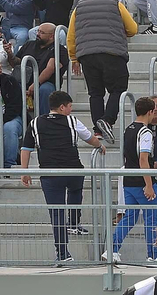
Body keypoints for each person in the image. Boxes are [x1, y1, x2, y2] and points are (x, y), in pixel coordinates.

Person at [18, 91, 105, 263]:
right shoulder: (72, 121)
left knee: (56, 213)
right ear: (62, 107)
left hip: (50, 173)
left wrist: (24, 171)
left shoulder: (35, 123)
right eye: (70, 106)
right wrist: (100, 145)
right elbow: (89, 138)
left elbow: (26, 148)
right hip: (72, 169)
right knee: (75, 191)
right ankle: (73, 223)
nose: (71, 110)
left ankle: (63, 253)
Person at [66, 0, 137, 129]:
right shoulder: (116, 4)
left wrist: (74, 58)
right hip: (113, 53)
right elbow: (133, 28)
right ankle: (107, 120)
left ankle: (98, 129)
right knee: (118, 89)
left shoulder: (79, 7)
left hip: (87, 55)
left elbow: (71, 36)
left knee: (95, 93)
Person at [108, 96, 157, 263]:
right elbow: (143, 159)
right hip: (142, 181)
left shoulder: (129, 128)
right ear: (150, 112)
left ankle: (112, 249)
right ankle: (152, 255)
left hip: (128, 180)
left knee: (129, 217)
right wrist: (149, 185)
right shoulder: (145, 132)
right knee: (151, 218)